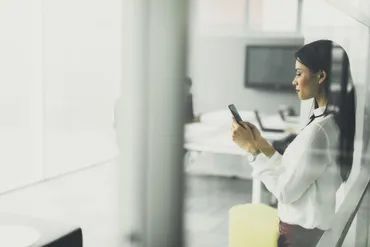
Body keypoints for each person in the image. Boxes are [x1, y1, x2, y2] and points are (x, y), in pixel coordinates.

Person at [231, 40, 356, 247]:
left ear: (321, 76)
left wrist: (252, 150)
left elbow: (285, 191)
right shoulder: (327, 122)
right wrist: (261, 143)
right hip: (308, 234)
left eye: (299, 73)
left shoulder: (319, 131)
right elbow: (292, 172)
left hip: (300, 238)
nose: (293, 81)